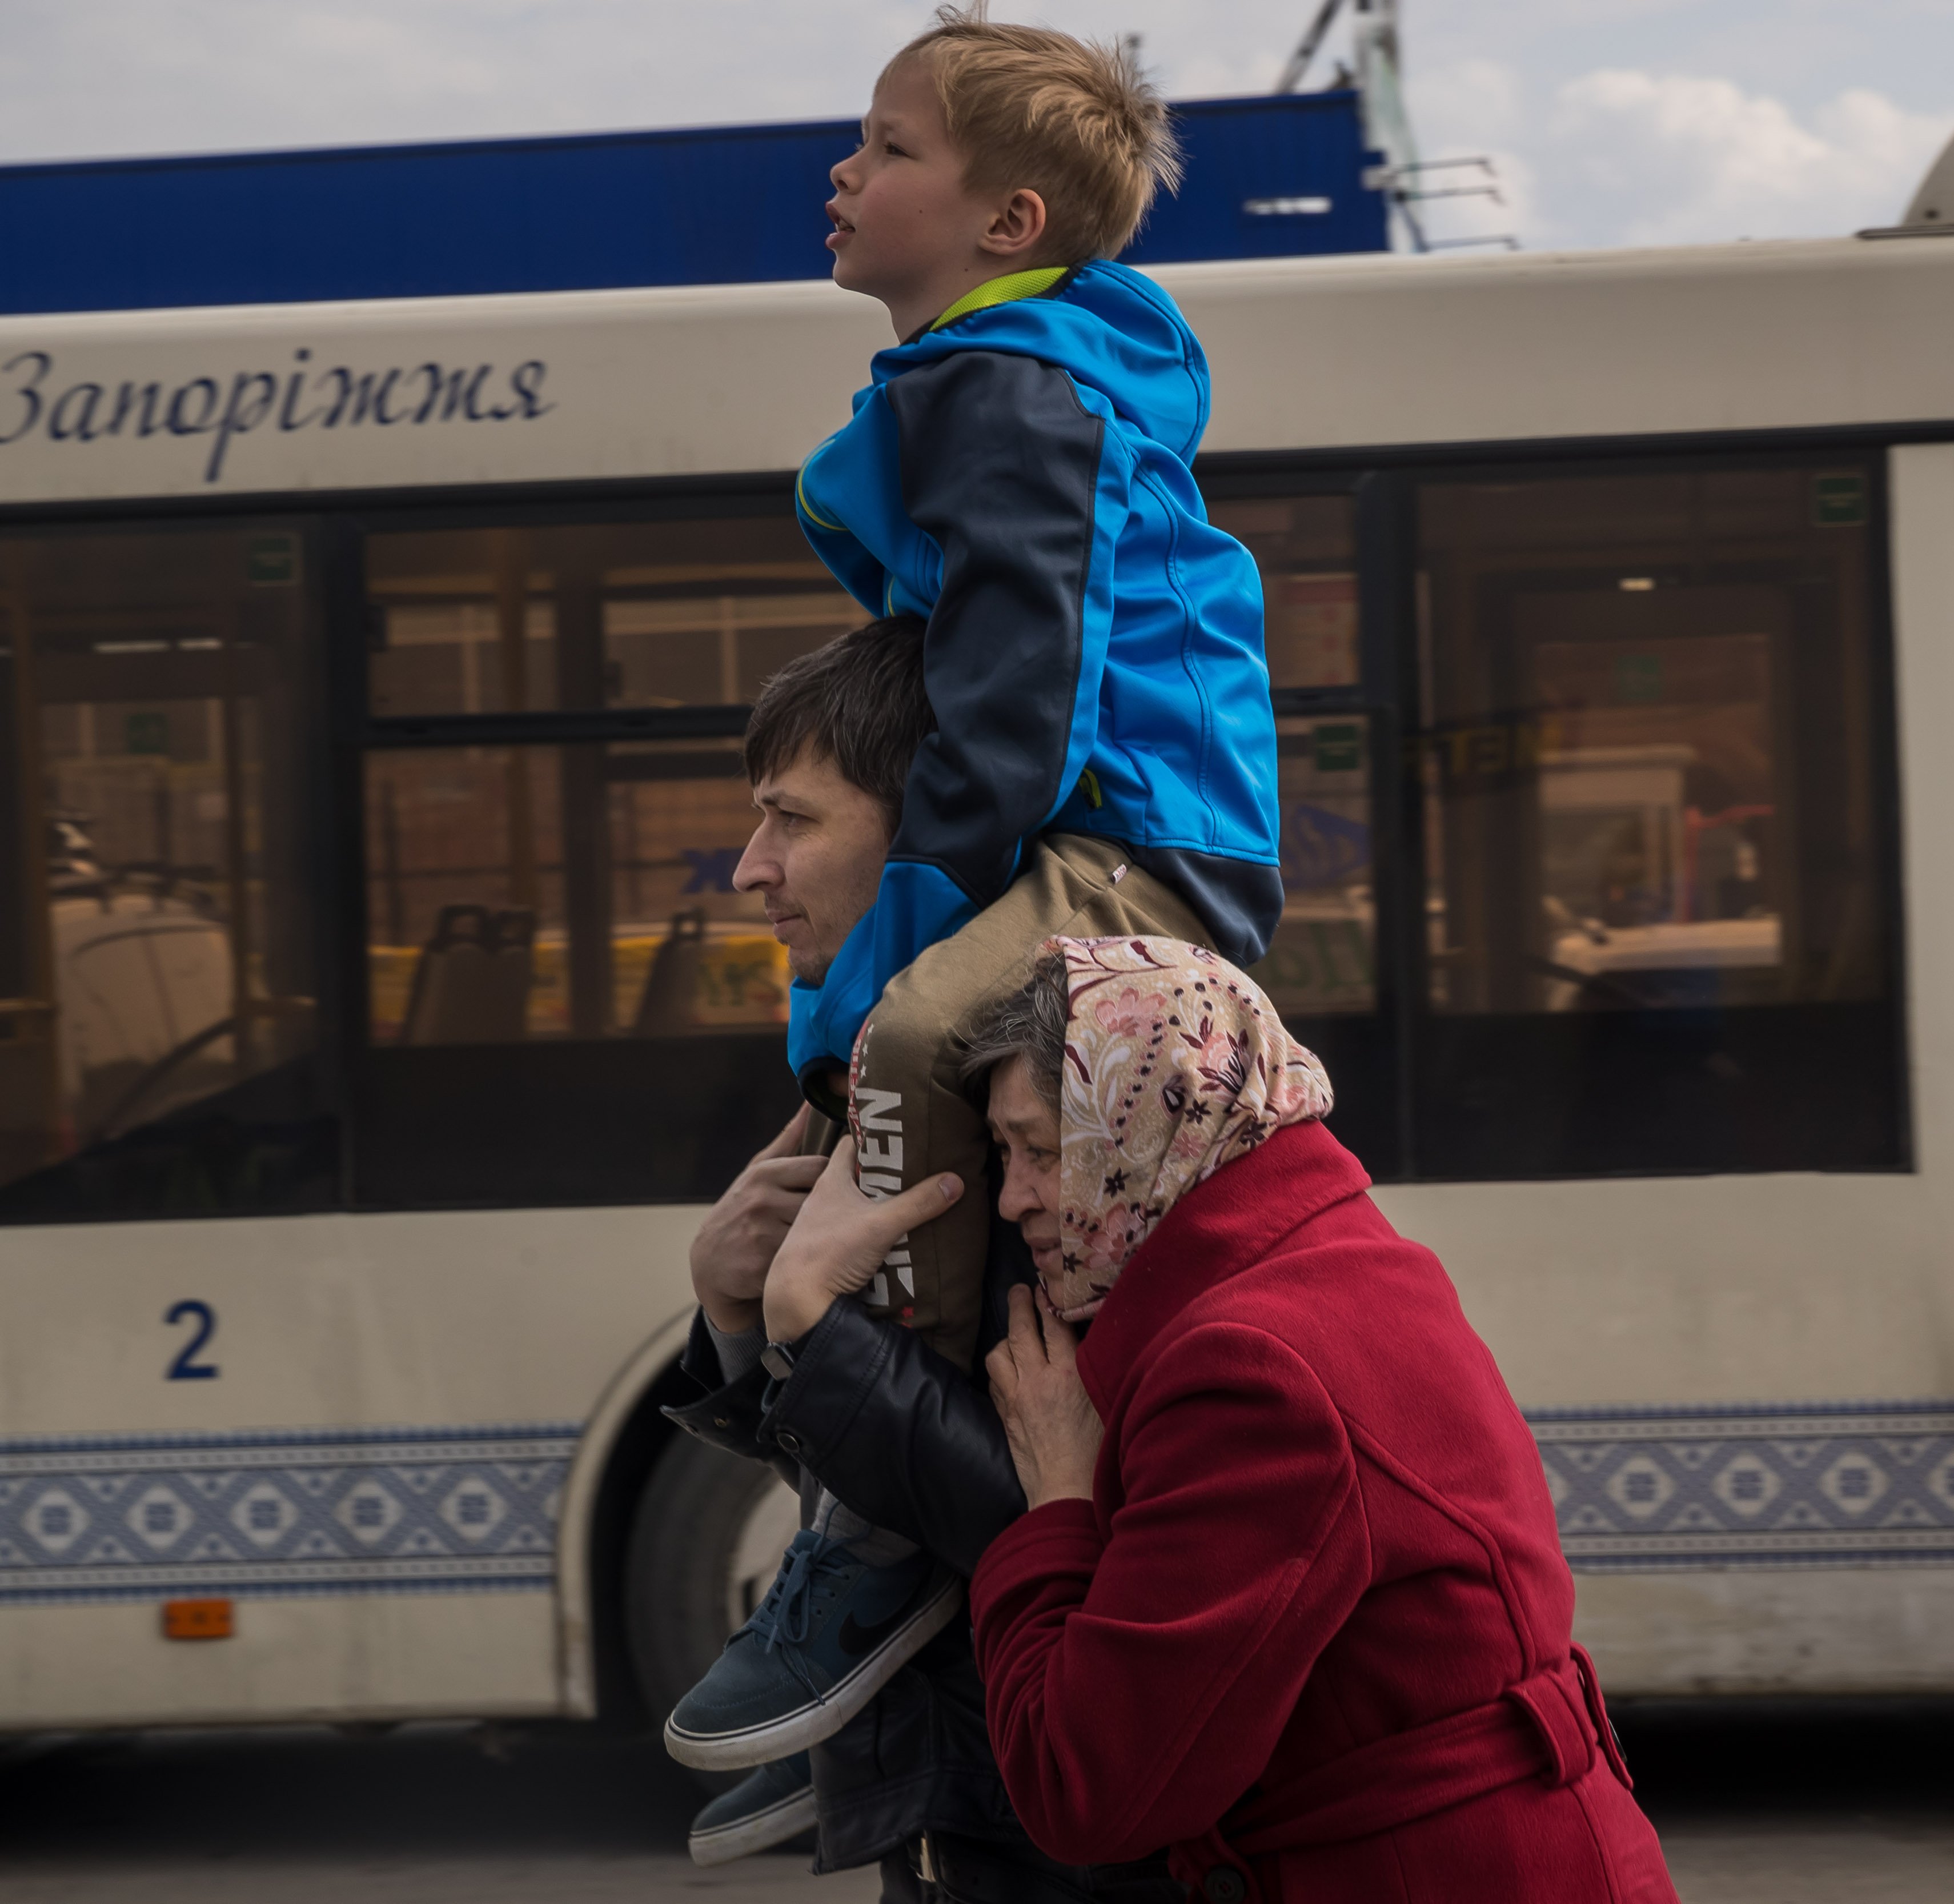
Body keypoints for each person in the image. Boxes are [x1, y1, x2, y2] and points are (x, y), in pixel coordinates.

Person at [664, 1, 1283, 1785]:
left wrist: (913, 907)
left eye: (888, 147)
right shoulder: (980, 370)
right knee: (862, 1032)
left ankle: (876, 1519)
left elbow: (1024, 682)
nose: (841, 172)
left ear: (1006, 222)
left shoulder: (1015, 386)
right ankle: (871, 1455)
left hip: (1137, 837)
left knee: (913, 1019)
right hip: (1091, 814)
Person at [757, 939, 1682, 1902]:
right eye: (1001, 1154)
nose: (1016, 1197)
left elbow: (1089, 1788)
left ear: (1151, 1126)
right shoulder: (1326, 1256)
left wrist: (1058, 1509)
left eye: (1041, 1149)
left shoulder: (1249, 1371)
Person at [664, 619, 1182, 1899]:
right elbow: (866, 1469)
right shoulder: (883, 1063)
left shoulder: (1044, 1117)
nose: (749, 867)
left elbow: (1053, 1516)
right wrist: (738, 1314)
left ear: (918, 837)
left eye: (791, 820)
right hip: (956, 1782)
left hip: (1047, 1815)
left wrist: (806, 1322)